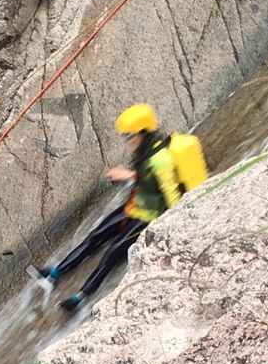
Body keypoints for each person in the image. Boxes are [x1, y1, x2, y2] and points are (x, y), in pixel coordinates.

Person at [33, 104, 181, 314]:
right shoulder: (145, 151)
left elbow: (170, 192)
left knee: (111, 255)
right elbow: (145, 178)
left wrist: (129, 176)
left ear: (143, 132)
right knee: (95, 236)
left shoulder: (161, 159)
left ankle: (79, 297)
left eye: (129, 136)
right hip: (132, 206)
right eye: (125, 136)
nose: (127, 141)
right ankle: (55, 273)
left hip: (149, 216)